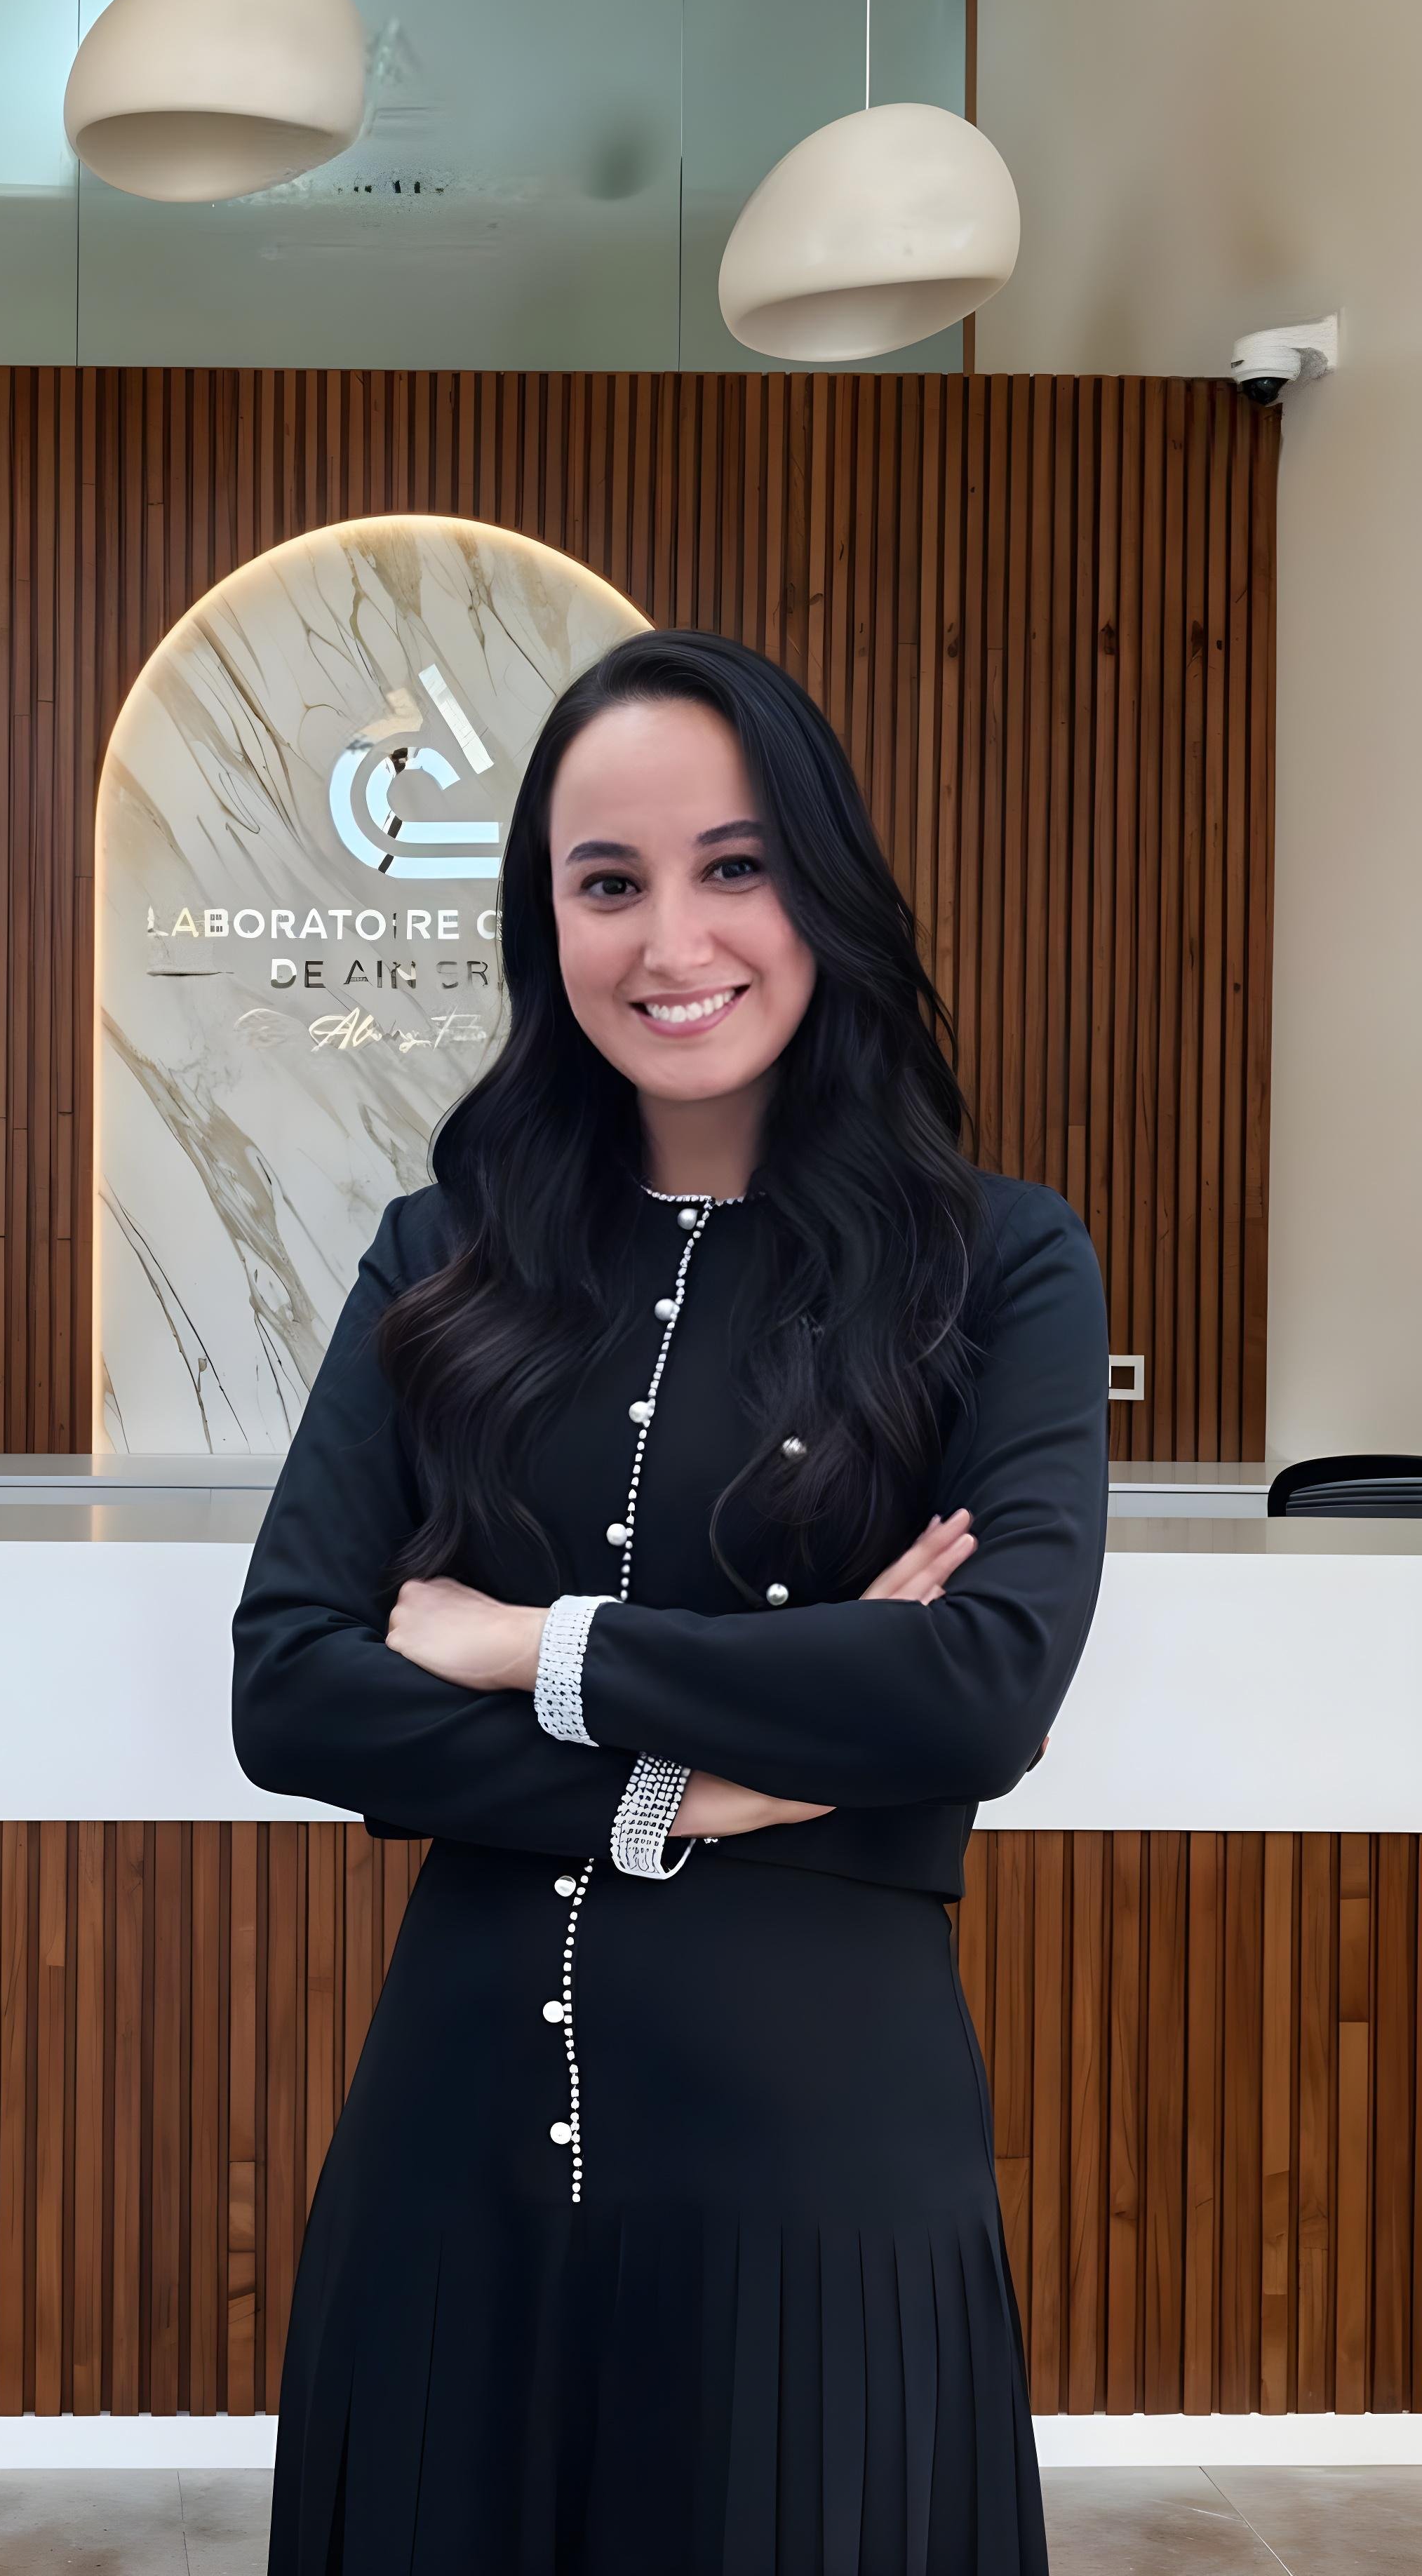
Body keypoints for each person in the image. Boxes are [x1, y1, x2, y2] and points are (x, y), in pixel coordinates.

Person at [229, 629, 1111, 2575]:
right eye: (605, 882)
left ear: (824, 887)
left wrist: (521, 1647)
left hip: (820, 2188)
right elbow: (292, 1690)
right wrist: (683, 1789)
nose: (669, 937)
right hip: (447, 2173)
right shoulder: (439, 1260)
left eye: (734, 866)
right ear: (545, 922)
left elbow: (973, 1690)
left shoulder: (1003, 1271)